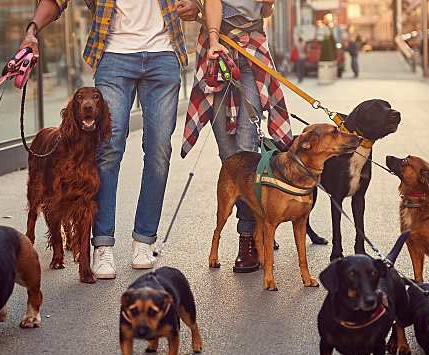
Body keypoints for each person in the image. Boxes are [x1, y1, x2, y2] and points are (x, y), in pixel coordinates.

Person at [17, 0, 196, 279]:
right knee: (109, 150)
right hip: (115, 56)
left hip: (163, 54)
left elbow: (199, 5)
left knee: (159, 150)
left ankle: (144, 240)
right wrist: (32, 31)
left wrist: (195, 8)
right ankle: (102, 244)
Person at [181, 0, 291, 273]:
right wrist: (214, 36)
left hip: (252, 49)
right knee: (229, 156)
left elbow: (265, 11)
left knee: (246, 145)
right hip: (217, 48)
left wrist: (268, 5)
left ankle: (247, 236)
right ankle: (258, 226)